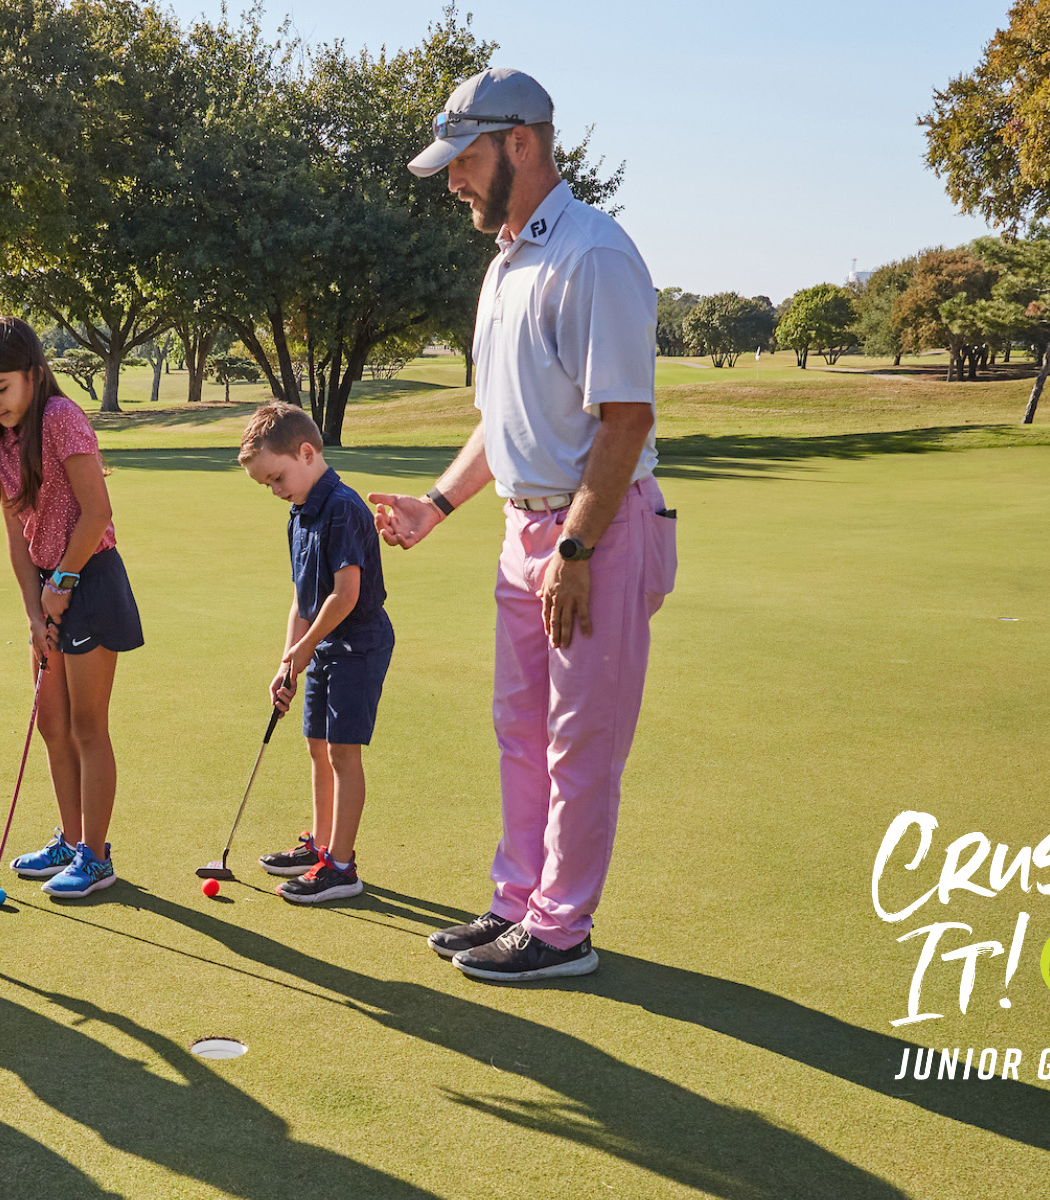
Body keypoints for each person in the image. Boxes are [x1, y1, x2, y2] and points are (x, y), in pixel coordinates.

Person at [372, 68, 679, 982]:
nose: (454, 182)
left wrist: (576, 548)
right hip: (524, 532)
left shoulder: (595, 256)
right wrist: (435, 505)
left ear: (521, 144)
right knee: (520, 731)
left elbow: (626, 420)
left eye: (464, 161)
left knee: (578, 741)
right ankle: (517, 902)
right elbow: (501, 421)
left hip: (597, 533)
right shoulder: (506, 263)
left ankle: (562, 928)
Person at [0, 316, 144, 898]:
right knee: (51, 723)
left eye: (1, 388)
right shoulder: (2, 439)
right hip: (49, 587)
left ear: (34, 373)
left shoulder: (60, 417)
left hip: (90, 580)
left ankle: (96, 856)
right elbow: (17, 537)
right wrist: (32, 611)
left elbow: (96, 512)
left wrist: (63, 582)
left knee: (87, 726)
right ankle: (70, 840)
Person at [239, 402, 393, 903]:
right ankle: (320, 846)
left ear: (307, 453)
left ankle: (341, 867)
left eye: (277, 477)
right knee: (317, 745)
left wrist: (304, 649)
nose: (275, 490)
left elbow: (344, 596)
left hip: (358, 642)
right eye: (266, 484)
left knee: (343, 752)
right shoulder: (299, 513)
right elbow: (302, 598)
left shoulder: (342, 508)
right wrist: (288, 660)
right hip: (324, 643)